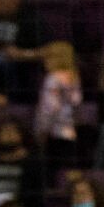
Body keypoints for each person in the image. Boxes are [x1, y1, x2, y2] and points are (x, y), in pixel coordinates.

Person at [34, 41, 83, 174]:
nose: (45, 60)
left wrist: (42, 131)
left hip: (53, 132)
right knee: (67, 171)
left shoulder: (53, 78)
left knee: (52, 173)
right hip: (69, 130)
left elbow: (50, 108)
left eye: (49, 57)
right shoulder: (72, 76)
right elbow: (77, 104)